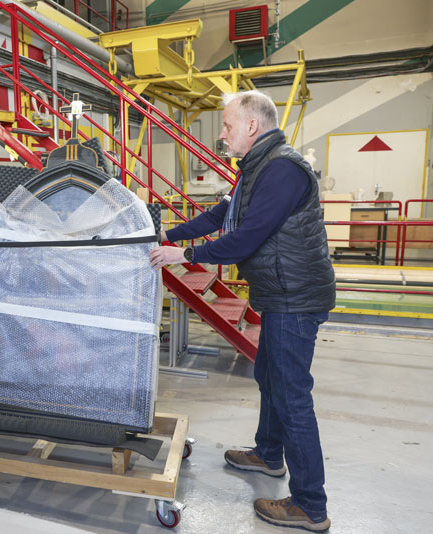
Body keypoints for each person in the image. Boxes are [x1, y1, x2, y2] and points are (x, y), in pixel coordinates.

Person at [150, 90, 335, 532]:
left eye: (228, 125)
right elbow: (221, 216)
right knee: (268, 377)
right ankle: (269, 455)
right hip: (278, 293)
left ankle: (311, 505)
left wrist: (186, 255)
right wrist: (165, 235)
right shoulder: (257, 169)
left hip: (296, 297)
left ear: (252, 126)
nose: (223, 134)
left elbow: (246, 237)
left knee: (292, 396)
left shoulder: (283, 170)